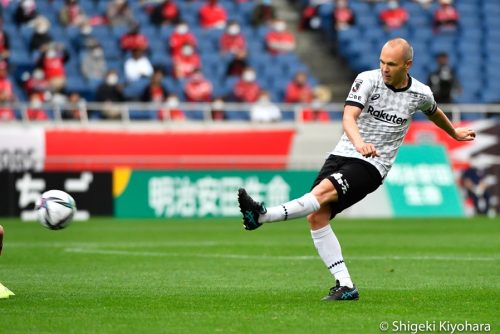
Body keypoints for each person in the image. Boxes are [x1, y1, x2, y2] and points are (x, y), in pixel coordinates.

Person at [237, 38, 476, 301]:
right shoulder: (367, 80)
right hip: (343, 152)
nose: (384, 68)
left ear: (407, 65)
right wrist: (359, 142)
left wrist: (453, 132)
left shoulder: (420, 93)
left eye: (392, 64)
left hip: (374, 164)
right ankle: (346, 286)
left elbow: (434, 111)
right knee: (317, 217)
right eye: (382, 62)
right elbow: (349, 116)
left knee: (322, 194)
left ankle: (261, 216)